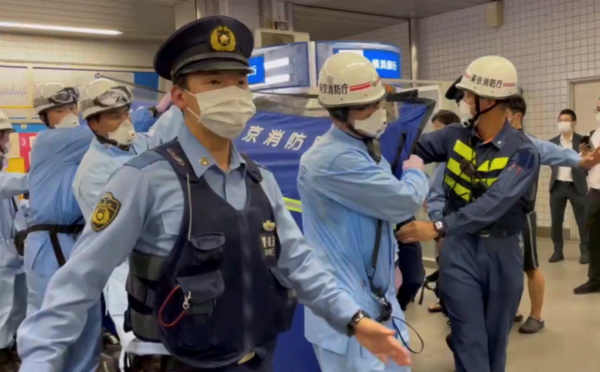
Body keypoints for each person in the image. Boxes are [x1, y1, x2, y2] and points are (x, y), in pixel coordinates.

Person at [17, 16, 411, 372]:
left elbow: (300, 264)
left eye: (240, 82)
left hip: (253, 359)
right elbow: (78, 281)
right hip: (174, 362)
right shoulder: (144, 179)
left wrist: (354, 319)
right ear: (182, 96)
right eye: (214, 82)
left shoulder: (259, 181)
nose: (233, 93)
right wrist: (40, 361)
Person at [397, 56, 539, 372]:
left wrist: (436, 226)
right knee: (466, 337)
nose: (463, 102)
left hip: (501, 252)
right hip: (459, 249)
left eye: (467, 96)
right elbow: (406, 148)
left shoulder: (523, 152)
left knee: (494, 339)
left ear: (488, 100)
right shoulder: (454, 137)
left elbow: (496, 202)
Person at [298, 52, 428, 372]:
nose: (375, 112)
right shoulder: (332, 160)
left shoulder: (365, 149)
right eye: (364, 107)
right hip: (347, 306)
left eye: (377, 103)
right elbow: (403, 200)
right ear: (338, 111)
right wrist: (415, 171)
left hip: (377, 298)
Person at [72, 78, 155, 369]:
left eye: (126, 113)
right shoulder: (92, 173)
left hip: (163, 271)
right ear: (94, 124)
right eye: (114, 116)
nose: (125, 121)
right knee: (141, 357)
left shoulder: (141, 144)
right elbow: (120, 232)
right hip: (128, 278)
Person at [505, 96, 600, 332]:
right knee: (504, 269)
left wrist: (582, 160)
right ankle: (507, 310)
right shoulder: (488, 142)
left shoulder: (530, 144)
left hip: (523, 214)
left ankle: (535, 315)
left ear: (514, 115)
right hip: (495, 220)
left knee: (530, 265)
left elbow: (562, 155)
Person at [22, 82, 99, 372]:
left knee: (87, 314)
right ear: (44, 117)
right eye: (58, 110)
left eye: (71, 108)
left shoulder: (82, 150)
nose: (68, 114)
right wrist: (155, 109)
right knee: (51, 321)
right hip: (49, 243)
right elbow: (101, 130)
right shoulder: (52, 142)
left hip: (77, 240)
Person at [0, 110, 29, 370]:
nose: (6, 142)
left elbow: (15, 209)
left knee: (18, 306)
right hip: (1, 258)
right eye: (3, 136)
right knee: (2, 308)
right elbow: (6, 186)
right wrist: (44, 175)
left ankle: (12, 346)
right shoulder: (6, 177)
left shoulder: (5, 169)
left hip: (14, 254)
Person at [548, 109, 589, 264]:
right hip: (557, 185)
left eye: (566, 120)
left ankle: (585, 252)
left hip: (576, 186)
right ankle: (558, 251)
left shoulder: (583, 141)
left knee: (582, 221)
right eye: (560, 120)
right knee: (556, 222)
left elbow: (588, 162)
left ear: (574, 123)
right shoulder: (552, 142)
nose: (562, 123)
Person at [574, 98, 600, 294]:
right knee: (593, 239)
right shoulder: (594, 134)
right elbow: (590, 164)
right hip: (596, 192)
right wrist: (584, 158)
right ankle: (595, 279)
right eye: (598, 108)